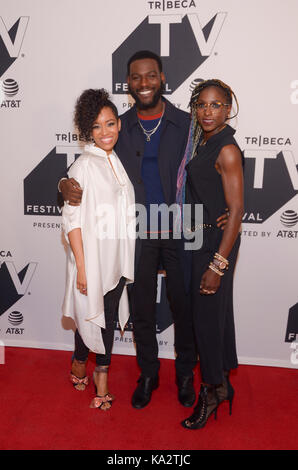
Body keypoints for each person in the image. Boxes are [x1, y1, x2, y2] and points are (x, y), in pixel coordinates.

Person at [60, 51, 227, 410]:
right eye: (136, 77)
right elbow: (83, 166)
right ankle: (148, 374)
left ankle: (185, 375)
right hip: (136, 236)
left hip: (182, 231)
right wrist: (61, 185)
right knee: (143, 312)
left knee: (183, 309)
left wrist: (225, 209)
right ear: (128, 83)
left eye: (150, 76)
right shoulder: (117, 126)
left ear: (162, 78)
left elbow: (218, 159)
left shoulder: (188, 124)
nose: (144, 83)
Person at [176, 79, 244, 429]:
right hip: (198, 237)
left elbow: (236, 211)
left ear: (228, 109)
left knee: (206, 320)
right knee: (212, 317)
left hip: (215, 246)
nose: (207, 111)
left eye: (215, 105)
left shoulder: (226, 148)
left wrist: (217, 265)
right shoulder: (202, 141)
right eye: (201, 104)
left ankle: (211, 390)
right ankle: (223, 382)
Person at [62, 89, 135, 411]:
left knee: (102, 316)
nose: (105, 132)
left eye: (109, 124)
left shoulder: (115, 158)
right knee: (93, 314)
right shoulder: (82, 167)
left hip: (118, 259)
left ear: (119, 124)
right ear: (86, 131)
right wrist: (81, 266)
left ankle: (89, 365)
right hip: (92, 260)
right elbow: (72, 222)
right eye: (96, 127)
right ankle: (89, 368)